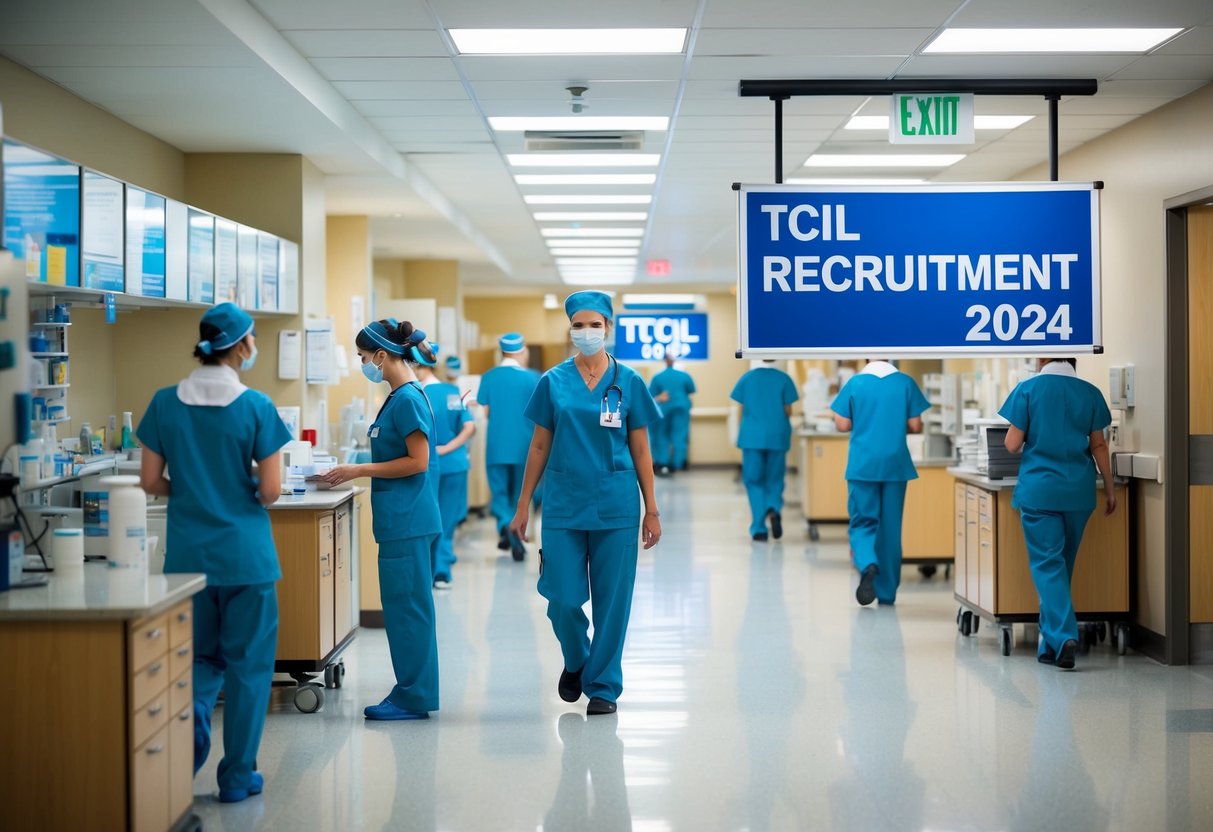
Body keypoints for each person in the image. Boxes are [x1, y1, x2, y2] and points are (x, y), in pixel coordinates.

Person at [137, 302, 291, 803]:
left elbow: (149, 481)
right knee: (248, 667)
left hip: (187, 560)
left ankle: (197, 713)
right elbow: (270, 489)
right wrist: (236, 484)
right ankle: (237, 777)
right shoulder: (256, 407)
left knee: (198, 658)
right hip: (246, 558)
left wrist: (194, 489)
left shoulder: (164, 401)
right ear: (243, 346)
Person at [509, 291, 662, 716]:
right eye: (580, 324)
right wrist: (523, 504)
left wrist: (652, 508)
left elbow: (642, 450)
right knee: (562, 597)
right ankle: (577, 658)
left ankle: (603, 686)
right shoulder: (552, 381)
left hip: (616, 503)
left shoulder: (628, 381)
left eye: (596, 325)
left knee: (613, 602)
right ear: (570, 328)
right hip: (562, 504)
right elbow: (539, 446)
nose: (588, 332)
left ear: (609, 329)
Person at [321, 319, 442, 718]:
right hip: (407, 519)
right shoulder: (400, 396)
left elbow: (417, 461)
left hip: (408, 521)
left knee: (408, 613)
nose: (362, 364)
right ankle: (413, 691)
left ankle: (414, 696)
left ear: (381, 355)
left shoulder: (406, 398)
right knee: (408, 610)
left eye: (362, 357)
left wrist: (358, 471)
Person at [999, 357, 1115, 670]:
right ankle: (1049, 646)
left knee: (1048, 566)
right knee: (1061, 568)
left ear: (1040, 358)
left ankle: (1064, 637)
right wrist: (1110, 488)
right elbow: (1099, 446)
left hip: (1040, 492)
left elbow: (1011, 444)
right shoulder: (1090, 392)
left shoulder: (1028, 389)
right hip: (1079, 492)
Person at [831, 360, 931, 607]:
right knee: (890, 529)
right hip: (895, 465)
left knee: (863, 522)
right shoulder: (905, 382)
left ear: (865, 357)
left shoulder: (855, 382)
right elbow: (916, 425)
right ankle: (886, 593)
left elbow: (842, 424)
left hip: (863, 463)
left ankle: (867, 563)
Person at [414, 344, 475, 589]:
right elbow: (469, 427)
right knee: (447, 520)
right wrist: (447, 449)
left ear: (416, 366)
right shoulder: (452, 392)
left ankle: (431, 571)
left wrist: (435, 451)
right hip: (454, 464)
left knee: (429, 519)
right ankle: (441, 571)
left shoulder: (415, 394)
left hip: (426, 466)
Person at [477, 332, 541, 560]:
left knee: (500, 492)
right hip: (525, 446)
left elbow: (484, 411)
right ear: (522, 351)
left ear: (501, 352)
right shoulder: (534, 377)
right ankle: (516, 534)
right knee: (520, 494)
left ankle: (505, 525)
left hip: (497, 445)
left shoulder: (489, 377)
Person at [731, 360, 799, 541]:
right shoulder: (784, 379)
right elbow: (788, 410)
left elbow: (740, 408)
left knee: (754, 481)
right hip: (777, 435)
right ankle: (773, 507)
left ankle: (759, 528)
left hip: (752, 437)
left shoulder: (747, 378)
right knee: (775, 479)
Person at [649, 354, 697, 476]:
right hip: (681, 407)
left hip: (664, 409)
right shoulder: (684, 376)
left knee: (662, 435)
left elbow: (652, 395)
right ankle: (678, 463)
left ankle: (663, 463)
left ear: (664, 360)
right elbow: (691, 390)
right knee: (679, 434)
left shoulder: (658, 377)